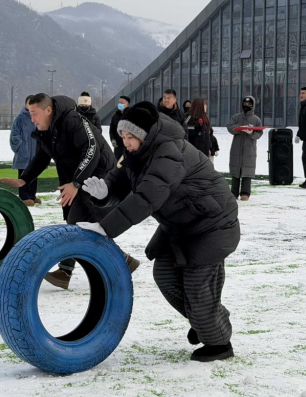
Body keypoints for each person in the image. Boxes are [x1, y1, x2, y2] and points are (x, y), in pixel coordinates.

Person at [77, 101, 240, 363]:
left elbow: (147, 197)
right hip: (180, 225)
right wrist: (105, 191)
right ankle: (206, 320)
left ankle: (219, 343)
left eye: (130, 137)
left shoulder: (169, 153)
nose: (126, 142)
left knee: (198, 290)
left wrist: (106, 228)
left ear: (145, 135)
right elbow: (121, 177)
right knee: (165, 276)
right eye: (122, 136)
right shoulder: (139, 151)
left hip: (211, 225)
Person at [0, 93, 139, 289]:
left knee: (79, 222)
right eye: (29, 114)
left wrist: (76, 183)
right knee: (77, 223)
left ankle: (70, 270)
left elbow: (91, 150)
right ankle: (119, 261)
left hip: (99, 175)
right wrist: (25, 179)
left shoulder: (71, 120)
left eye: (34, 113)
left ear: (48, 110)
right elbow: (42, 157)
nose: (32, 119)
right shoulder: (46, 129)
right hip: (78, 178)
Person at [227, 96, 263, 201]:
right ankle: (233, 192)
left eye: (249, 104)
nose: (247, 106)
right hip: (236, 148)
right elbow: (229, 126)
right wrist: (239, 128)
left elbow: (259, 133)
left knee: (247, 172)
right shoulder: (236, 117)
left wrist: (251, 133)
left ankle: (245, 193)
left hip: (249, 150)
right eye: (245, 104)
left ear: (253, 105)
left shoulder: (256, 119)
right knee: (236, 171)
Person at [9, 95, 40, 206]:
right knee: (23, 174)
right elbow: (14, 134)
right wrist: (20, 146)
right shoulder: (20, 117)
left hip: (35, 152)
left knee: (34, 174)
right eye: (29, 103)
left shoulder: (38, 117)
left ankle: (32, 196)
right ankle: (24, 197)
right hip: (24, 153)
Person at [109, 95, 130, 160]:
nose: (120, 104)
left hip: (129, 146)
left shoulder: (131, 115)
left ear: (127, 104)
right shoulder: (115, 116)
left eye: (122, 103)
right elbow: (112, 131)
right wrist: (113, 139)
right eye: (119, 103)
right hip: (118, 147)